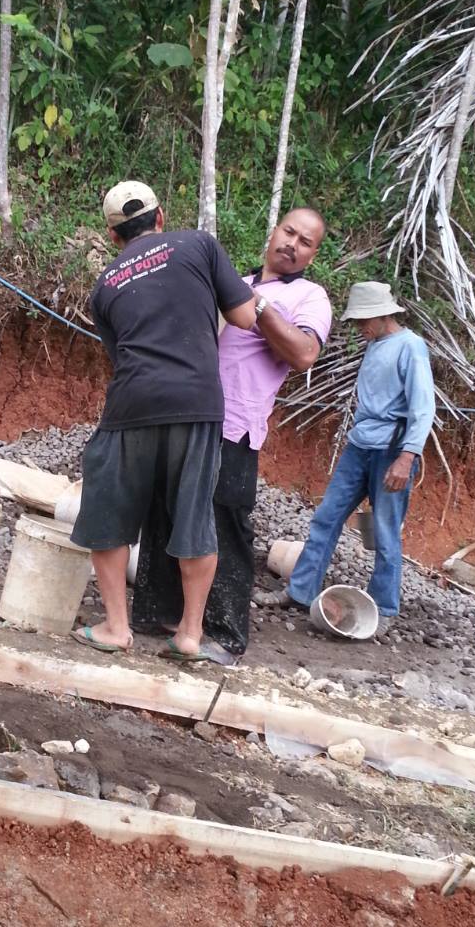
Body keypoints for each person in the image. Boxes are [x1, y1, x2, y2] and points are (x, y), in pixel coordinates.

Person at [69, 181, 257, 661]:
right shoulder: (198, 244)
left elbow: (120, 356)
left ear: (113, 237)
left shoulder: (105, 284)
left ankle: (116, 627)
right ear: (160, 217)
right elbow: (244, 317)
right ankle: (190, 634)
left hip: (133, 402)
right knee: (195, 516)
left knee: (106, 511)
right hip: (197, 401)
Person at [132, 208, 331, 659]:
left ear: (313, 254)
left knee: (224, 521)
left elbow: (302, 354)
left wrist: (258, 306)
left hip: (236, 425)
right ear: (273, 229)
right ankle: (163, 614)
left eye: (305, 241)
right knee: (165, 511)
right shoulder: (235, 280)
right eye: (288, 232)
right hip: (185, 413)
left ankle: (223, 634)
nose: (292, 244)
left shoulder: (309, 297)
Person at [286, 281, 436, 636]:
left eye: (365, 320)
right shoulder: (376, 344)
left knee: (385, 531)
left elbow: (422, 408)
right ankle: (300, 591)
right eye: (357, 321)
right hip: (360, 445)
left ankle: (383, 608)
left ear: (385, 314)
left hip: (391, 449)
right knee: (327, 516)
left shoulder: (411, 347)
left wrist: (406, 457)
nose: (360, 328)